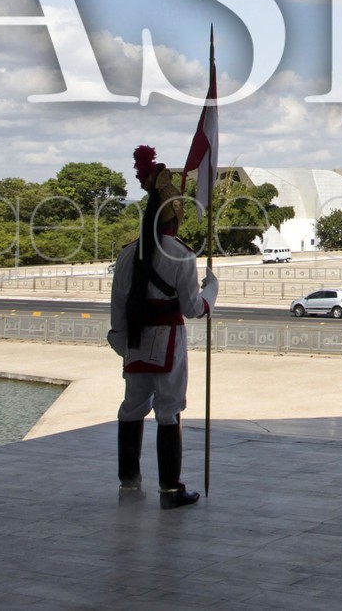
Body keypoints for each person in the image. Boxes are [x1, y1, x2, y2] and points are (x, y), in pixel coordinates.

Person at [108, 145, 218, 509]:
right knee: (169, 410)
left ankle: (129, 482)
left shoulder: (128, 254)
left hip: (135, 341)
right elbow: (193, 308)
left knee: (132, 407)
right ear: (174, 218)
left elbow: (118, 306)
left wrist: (121, 342)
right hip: (168, 341)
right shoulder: (181, 254)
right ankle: (170, 489)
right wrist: (212, 290)